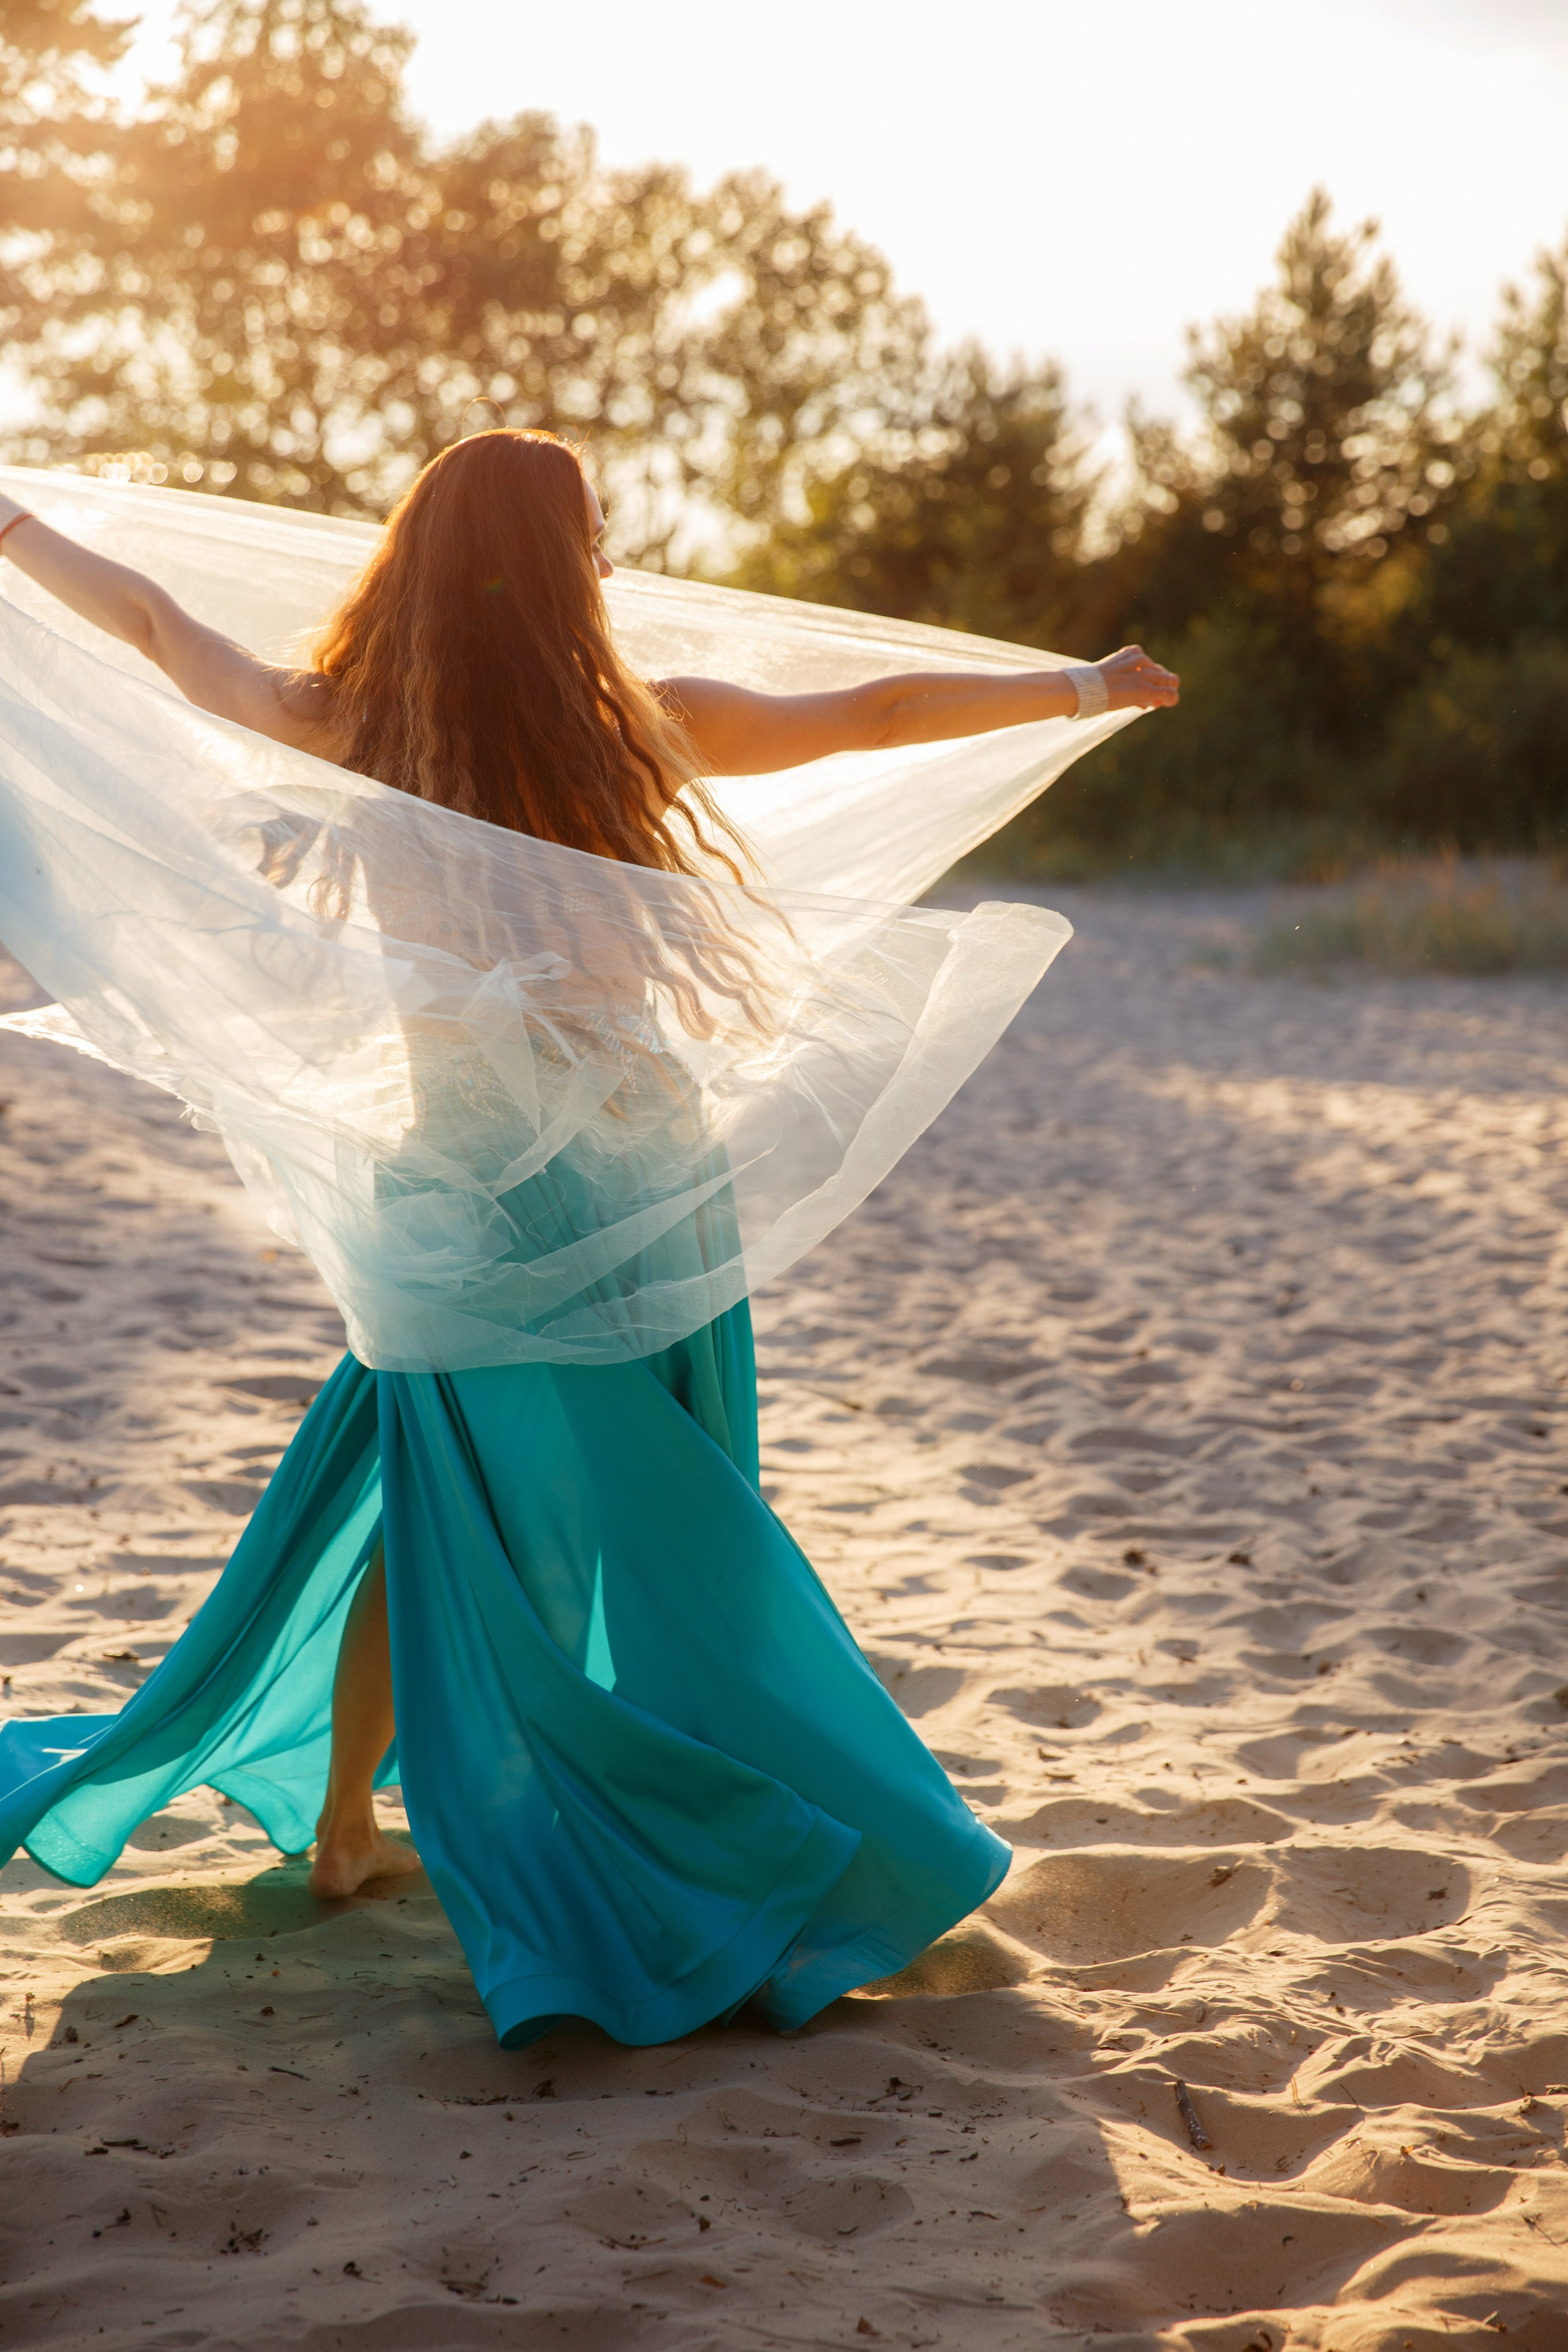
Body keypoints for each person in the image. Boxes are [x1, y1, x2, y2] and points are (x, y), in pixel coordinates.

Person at [0, 431, 1176, 2045]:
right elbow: (881, 718)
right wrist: (1085, 685)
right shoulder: (643, 736)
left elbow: (142, 623)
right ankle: (630, 1800)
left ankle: (352, 1826)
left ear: (415, 560)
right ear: (567, 573)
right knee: (656, 1514)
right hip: (643, 1184)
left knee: (444, 1509)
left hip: (468, 1194)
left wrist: (11, 525)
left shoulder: (356, 730)